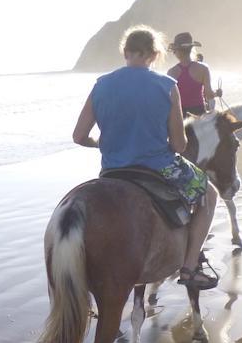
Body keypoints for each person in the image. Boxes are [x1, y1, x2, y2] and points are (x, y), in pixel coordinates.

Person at [72, 26, 219, 290]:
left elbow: (79, 136)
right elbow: (178, 144)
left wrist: (101, 143)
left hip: (113, 170)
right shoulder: (166, 86)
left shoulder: (101, 85)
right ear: (154, 55)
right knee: (209, 194)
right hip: (157, 166)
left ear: (125, 52)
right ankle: (189, 267)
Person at [166, 32, 221, 117]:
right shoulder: (203, 69)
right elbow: (209, 95)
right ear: (191, 49)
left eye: (174, 51)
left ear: (177, 51)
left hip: (180, 114)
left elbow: (169, 99)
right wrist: (217, 93)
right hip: (199, 114)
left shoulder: (171, 72)